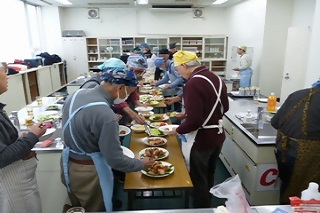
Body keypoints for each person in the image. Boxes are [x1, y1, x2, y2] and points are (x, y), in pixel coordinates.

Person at [60, 67, 155, 212]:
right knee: (94, 208)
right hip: (89, 172)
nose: (126, 97)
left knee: (78, 205)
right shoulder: (105, 114)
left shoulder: (76, 94)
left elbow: (82, 125)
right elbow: (115, 159)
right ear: (121, 87)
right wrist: (141, 164)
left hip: (69, 164)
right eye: (128, 93)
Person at [169, 50, 229, 208]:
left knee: (197, 179)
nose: (178, 72)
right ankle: (208, 204)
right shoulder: (216, 77)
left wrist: (177, 130)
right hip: (218, 135)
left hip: (201, 139)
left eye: (177, 69)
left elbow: (195, 121)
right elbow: (224, 107)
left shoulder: (193, 83)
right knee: (209, 173)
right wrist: (188, 113)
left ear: (184, 65)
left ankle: (201, 208)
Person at [0, 63, 47, 212]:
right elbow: (2, 157)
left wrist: (22, 139)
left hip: (21, 181)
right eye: (3, 71)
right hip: (12, 184)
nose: (7, 75)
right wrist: (32, 136)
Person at [271, 81, 320, 204]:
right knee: (302, 195)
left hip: (283, 152)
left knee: (287, 186)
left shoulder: (297, 94)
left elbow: (274, 122)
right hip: (306, 159)